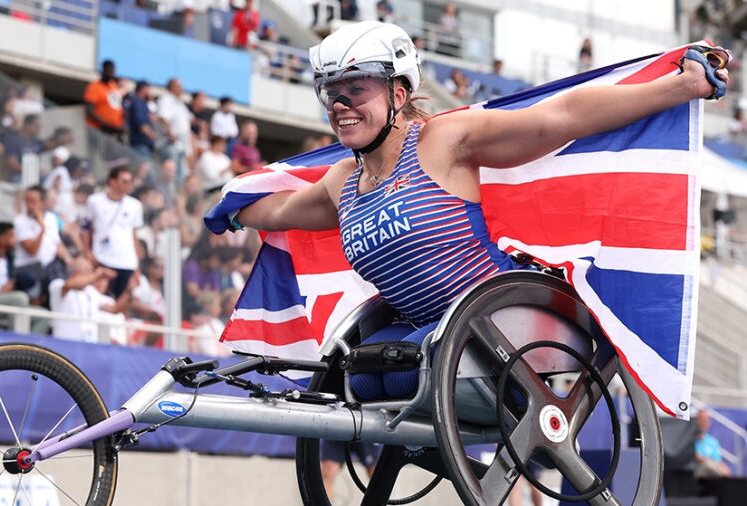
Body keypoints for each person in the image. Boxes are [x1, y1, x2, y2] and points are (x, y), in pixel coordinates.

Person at [232, 20, 729, 405]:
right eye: (330, 93)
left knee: (392, 369)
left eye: (355, 89)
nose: (340, 104)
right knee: (348, 375)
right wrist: (229, 207)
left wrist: (681, 87)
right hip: (427, 335)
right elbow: (279, 210)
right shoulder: (342, 181)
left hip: (501, 326)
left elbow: (559, 117)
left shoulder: (442, 141)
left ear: (398, 93)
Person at [83, 165, 144, 298]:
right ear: (112, 181)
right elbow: (86, 228)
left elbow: (133, 235)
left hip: (126, 261)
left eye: (130, 182)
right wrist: (87, 251)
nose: (128, 185)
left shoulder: (135, 205)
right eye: (124, 181)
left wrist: (137, 265)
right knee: (99, 297)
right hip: (102, 257)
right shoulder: (94, 201)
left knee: (121, 299)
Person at [48, 257, 136, 343]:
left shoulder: (91, 292)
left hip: (88, 345)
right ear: (77, 272)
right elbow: (69, 285)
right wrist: (98, 274)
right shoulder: (58, 284)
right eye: (89, 272)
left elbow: (114, 309)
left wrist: (128, 291)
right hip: (65, 343)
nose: (92, 277)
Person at [13, 185, 68, 304]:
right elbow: (32, 250)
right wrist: (42, 228)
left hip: (49, 268)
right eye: (27, 201)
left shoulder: (52, 218)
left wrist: (71, 261)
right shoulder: (20, 221)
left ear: (42, 203)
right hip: (28, 269)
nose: (29, 205)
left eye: (33, 201)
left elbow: (57, 243)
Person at [84, 59, 125, 137]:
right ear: (103, 70)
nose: (111, 74)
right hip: (97, 131)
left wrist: (120, 126)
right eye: (109, 70)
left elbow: (117, 107)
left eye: (113, 71)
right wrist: (108, 125)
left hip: (113, 133)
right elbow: (90, 111)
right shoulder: (94, 87)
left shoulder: (113, 86)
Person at [695, 409, 732, 478]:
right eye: (701, 420)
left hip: (713, 474)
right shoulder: (690, 439)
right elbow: (697, 458)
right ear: (696, 421)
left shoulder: (713, 441)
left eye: (706, 420)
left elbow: (718, 461)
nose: (703, 423)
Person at [126, 80, 157, 158]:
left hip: (144, 145)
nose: (150, 91)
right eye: (148, 88)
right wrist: (153, 136)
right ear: (143, 89)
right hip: (140, 144)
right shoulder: (137, 102)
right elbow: (141, 124)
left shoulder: (143, 104)